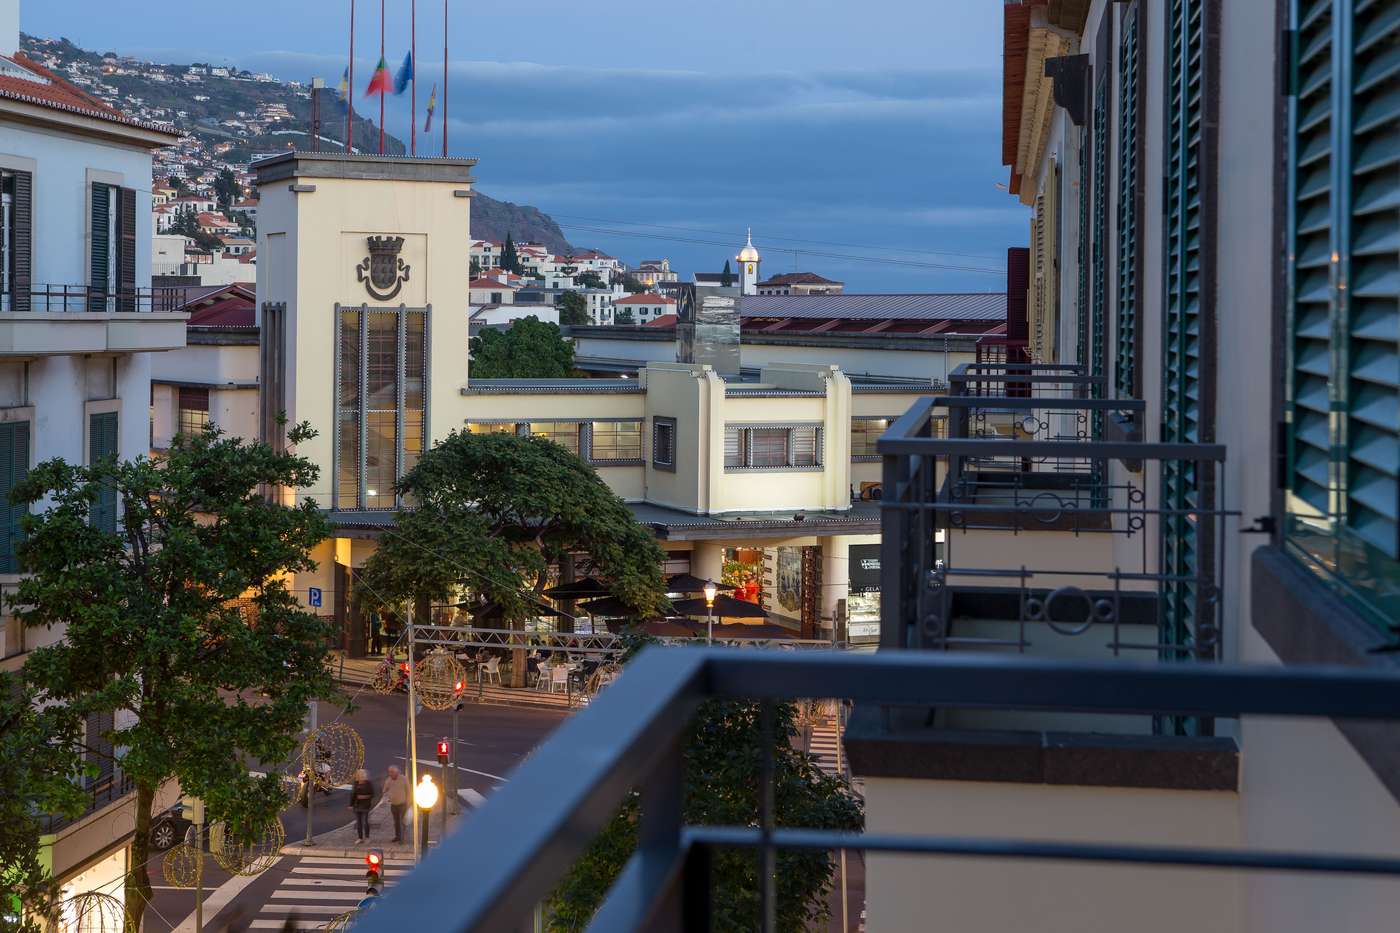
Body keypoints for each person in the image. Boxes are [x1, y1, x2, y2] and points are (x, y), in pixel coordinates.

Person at [384, 765, 409, 843]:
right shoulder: (388, 780)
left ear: (397, 772)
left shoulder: (404, 779)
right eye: (389, 772)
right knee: (396, 822)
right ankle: (397, 836)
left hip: (402, 804)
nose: (390, 774)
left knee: (402, 822)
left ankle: (402, 838)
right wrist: (386, 795)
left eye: (392, 772)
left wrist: (409, 802)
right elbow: (384, 790)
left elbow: (408, 791)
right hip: (393, 805)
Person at [349, 769, 374, 843]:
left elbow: (372, 794)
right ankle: (360, 838)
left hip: (365, 806)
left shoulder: (368, 783)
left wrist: (364, 797)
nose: (360, 776)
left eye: (361, 775)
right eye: (358, 775)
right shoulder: (356, 783)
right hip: (357, 806)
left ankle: (367, 837)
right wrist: (351, 804)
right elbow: (353, 794)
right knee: (358, 823)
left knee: (365, 822)